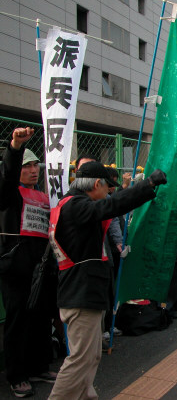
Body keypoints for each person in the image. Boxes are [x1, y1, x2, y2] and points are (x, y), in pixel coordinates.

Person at [48, 162, 166, 399]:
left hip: (82, 292)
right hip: (80, 294)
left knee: (90, 356)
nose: (109, 192)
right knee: (80, 359)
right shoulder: (76, 207)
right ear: (95, 184)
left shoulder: (69, 205)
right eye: (107, 187)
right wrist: (149, 184)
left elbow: (111, 204)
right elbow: (112, 206)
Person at [0, 127, 56, 398]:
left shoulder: (44, 196)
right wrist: (15, 148)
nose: (34, 170)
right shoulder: (10, 195)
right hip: (16, 269)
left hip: (41, 266)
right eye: (27, 166)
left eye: (36, 165)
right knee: (18, 320)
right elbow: (7, 177)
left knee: (41, 317)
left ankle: (39, 366)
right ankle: (17, 375)